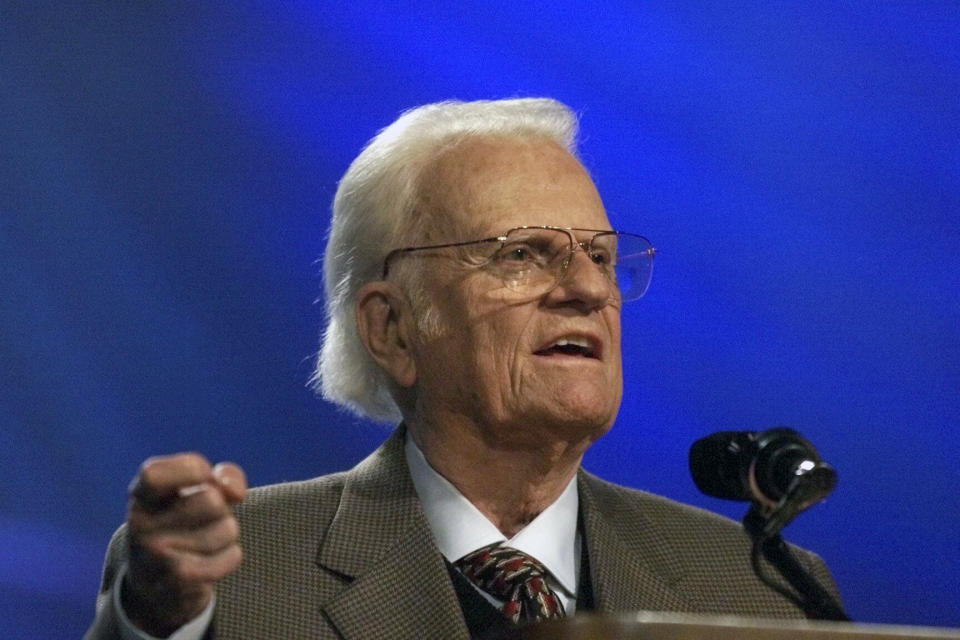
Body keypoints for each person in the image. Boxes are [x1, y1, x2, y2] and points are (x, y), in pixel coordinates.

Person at [85, 98, 838, 640]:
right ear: (393, 327)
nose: (584, 289)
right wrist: (156, 626)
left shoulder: (762, 590)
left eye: (601, 258)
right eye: (519, 255)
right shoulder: (232, 581)